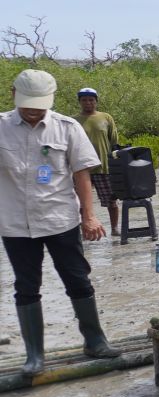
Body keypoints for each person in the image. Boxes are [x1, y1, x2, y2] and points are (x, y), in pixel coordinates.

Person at [2, 69, 122, 376]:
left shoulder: (66, 127)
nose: (33, 109)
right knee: (27, 287)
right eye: (28, 102)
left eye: (39, 103)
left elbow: (82, 174)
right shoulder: (1, 127)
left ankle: (95, 340)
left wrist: (89, 215)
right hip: (15, 224)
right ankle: (34, 355)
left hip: (60, 219)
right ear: (14, 94)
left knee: (78, 279)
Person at [73, 88, 121, 234]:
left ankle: (114, 228)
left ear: (96, 101)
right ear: (80, 102)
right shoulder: (73, 120)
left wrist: (115, 163)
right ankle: (85, 230)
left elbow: (114, 142)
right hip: (81, 169)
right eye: (84, 100)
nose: (88, 103)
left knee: (111, 201)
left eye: (91, 100)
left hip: (103, 166)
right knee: (80, 203)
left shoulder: (106, 118)